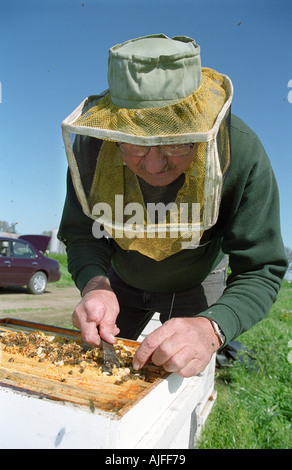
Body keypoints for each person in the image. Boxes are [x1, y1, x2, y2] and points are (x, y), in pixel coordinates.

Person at [58, 34, 287, 378]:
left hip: (199, 280)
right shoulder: (92, 150)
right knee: (98, 372)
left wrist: (212, 329)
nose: (153, 167)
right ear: (114, 132)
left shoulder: (240, 153)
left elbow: (260, 268)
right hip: (121, 282)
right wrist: (96, 285)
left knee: (186, 381)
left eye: (175, 144)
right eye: (134, 146)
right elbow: (83, 236)